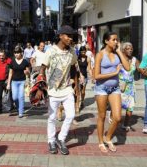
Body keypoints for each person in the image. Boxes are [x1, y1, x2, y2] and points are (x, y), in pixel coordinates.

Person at [38, 25, 82, 155]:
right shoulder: (51, 51)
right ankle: (51, 141)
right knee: (52, 118)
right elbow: (43, 67)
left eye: (71, 36)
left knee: (71, 115)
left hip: (67, 89)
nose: (70, 38)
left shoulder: (72, 52)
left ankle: (61, 139)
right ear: (60, 36)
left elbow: (74, 67)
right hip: (52, 90)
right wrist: (41, 85)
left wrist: (75, 84)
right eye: (68, 36)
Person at [94, 32, 129, 153]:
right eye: (114, 40)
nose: (116, 42)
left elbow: (128, 67)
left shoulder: (117, 54)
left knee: (118, 117)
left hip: (115, 89)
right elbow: (96, 76)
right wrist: (115, 73)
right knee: (102, 116)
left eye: (117, 40)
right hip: (101, 88)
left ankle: (108, 137)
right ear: (106, 41)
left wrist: (119, 51)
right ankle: (100, 141)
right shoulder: (100, 55)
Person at [118, 42, 140, 131]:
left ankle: (125, 124)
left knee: (130, 107)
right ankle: (114, 120)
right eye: (127, 48)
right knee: (117, 107)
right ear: (123, 50)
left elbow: (141, 69)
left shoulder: (135, 60)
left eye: (131, 48)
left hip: (130, 87)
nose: (130, 50)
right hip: (119, 86)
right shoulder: (119, 59)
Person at [6, 46, 30, 118]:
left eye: (18, 53)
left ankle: (21, 112)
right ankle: (19, 108)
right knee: (15, 98)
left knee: (21, 97)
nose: (16, 54)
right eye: (15, 53)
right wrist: (8, 84)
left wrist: (27, 72)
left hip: (22, 81)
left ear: (21, 53)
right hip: (14, 82)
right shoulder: (12, 61)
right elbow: (10, 73)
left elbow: (28, 72)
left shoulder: (25, 61)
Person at [76, 46, 92, 113]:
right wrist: (79, 74)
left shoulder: (88, 58)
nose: (83, 53)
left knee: (83, 91)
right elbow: (76, 67)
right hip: (78, 76)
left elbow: (89, 68)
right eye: (82, 52)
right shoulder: (77, 58)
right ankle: (78, 106)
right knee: (78, 91)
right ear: (80, 51)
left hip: (85, 76)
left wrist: (92, 76)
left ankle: (82, 101)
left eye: (84, 52)